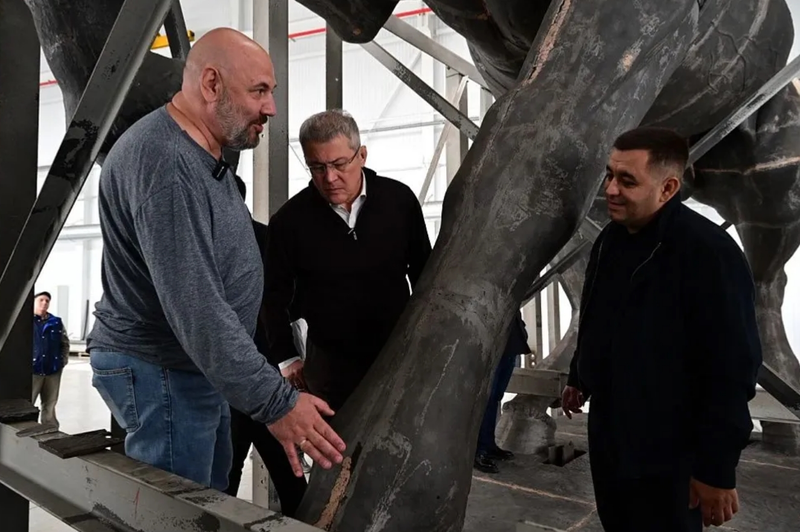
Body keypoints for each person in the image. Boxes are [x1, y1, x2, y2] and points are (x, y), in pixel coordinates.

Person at [86, 28, 345, 492]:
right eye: (259, 91)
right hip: (163, 370)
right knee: (177, 511)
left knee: (208, 498)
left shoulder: (205, 154)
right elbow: (198, 310)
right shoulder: (168, 165)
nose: (271, 108)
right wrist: (277, 402)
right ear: (211, 85)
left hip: (192, 368)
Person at [561, 127, 762, 532]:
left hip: (670, 446)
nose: (610, 189)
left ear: (668, 187)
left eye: (627, 180)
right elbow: (598, 315)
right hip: (611, 432)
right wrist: (579, 375)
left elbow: (731, 371)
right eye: (610, 174)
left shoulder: (709, 253)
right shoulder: (610, 240)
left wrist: (716, 470)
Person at [263, 109, 432, 413]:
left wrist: (426, 341)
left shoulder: (399, 201)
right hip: (328, 367)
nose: (329, 178)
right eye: (317, 167)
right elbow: (272, 297)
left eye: (339, 164)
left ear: (362, 155)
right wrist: (287, 358)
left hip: (398, 353)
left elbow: (424, 275)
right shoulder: (289, 222)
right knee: (336, 440)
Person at [225, 220, 306, 517]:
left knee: (223, 480)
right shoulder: (269, 237)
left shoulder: (210, 238)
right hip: (269, 374)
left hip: (233, 378)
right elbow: (296, 304)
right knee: (291, 478)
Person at [474, 311, 530, 474]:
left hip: (510, 344)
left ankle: (488, 445)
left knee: (495, 398)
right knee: (486, 399)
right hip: (492, 344)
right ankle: (479, 450)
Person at [31, 291, 70, 429]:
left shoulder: (56, 322)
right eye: (41, 300)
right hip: (33, 370)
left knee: (50, 403)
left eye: (47, 301)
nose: (44, 303)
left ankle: (50, 429)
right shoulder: (26, 321)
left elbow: (64, 343)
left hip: (53, 370)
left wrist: (62, 362)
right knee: (28, 403)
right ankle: (27, 428)